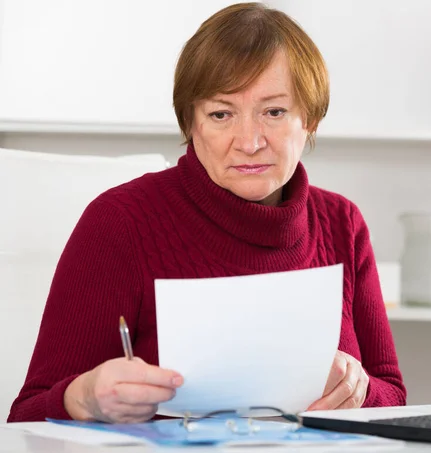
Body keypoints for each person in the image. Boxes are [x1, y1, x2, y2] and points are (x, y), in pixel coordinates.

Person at [7, 2, 406, 424]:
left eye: (274, 112)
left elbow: (393, 395)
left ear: (309, 120)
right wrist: (83, 398)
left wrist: (359, 389)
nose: (249, 141)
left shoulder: (341, 223)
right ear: (190, 123)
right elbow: (26, 417)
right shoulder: (119, 222)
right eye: (221, 114)